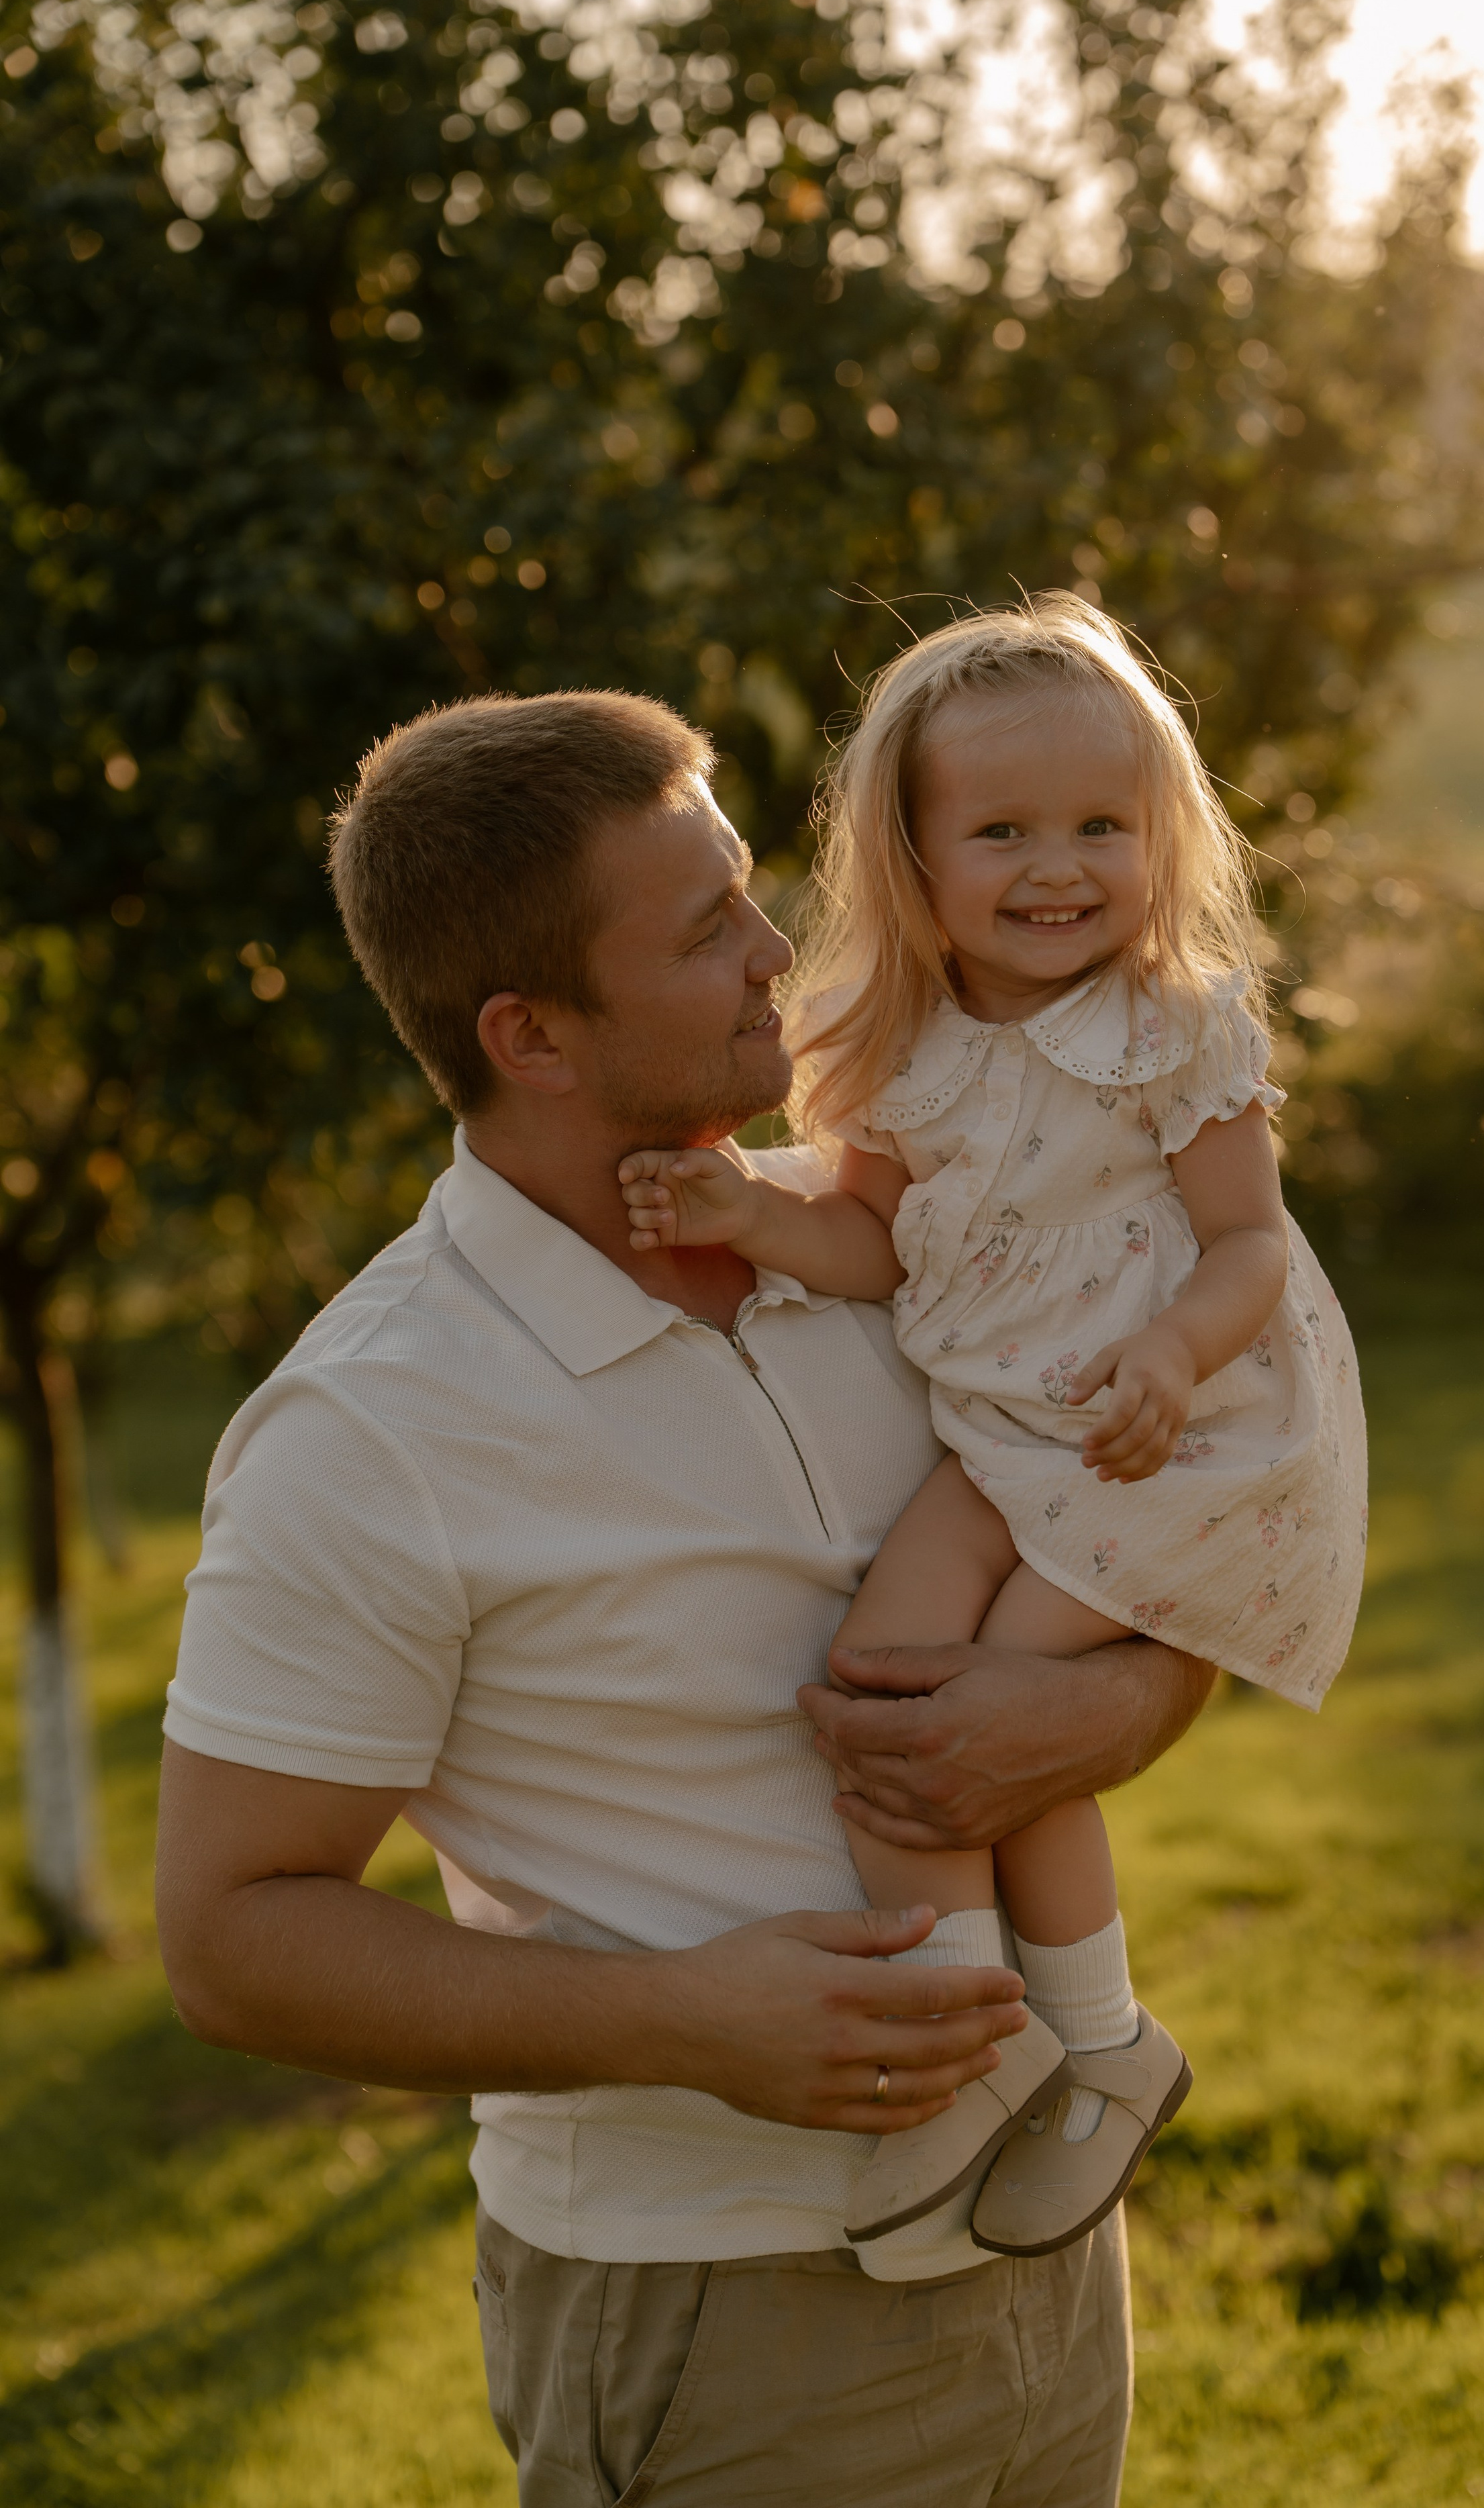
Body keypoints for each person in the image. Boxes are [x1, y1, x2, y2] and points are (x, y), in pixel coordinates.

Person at [154, 684, 1218, 2508]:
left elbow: (1157, 1566)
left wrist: (1119, 1710)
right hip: (720, 2317)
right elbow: (230, 1931)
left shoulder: (900, 1240)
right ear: (533, 1036)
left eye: (752, 890)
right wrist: (673, 2022)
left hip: (1049, 2252)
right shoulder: (369, 1428)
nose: (778, 954)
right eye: (707, 927)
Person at [620, 595, 1368, 2258]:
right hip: (1002, 1439)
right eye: (1003, 830)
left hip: (1159, 1435)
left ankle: (1098, 2042)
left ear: (1158, 836)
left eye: (1102, 825)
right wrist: (747, 1214)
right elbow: (874, 1248)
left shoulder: (1172, 1030)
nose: (1058, 867)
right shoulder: (897, 1052)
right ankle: (982, 2049)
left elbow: (1247, 1245)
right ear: (915, 855)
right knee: (877, 1703)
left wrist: (1170, 1357)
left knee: (988, 1723)